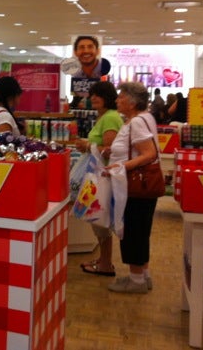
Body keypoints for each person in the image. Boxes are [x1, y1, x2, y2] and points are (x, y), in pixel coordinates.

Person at [106, 82, 160, 294]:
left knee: (133, 232)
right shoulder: (145, 118)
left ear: (132, 102)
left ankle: (136, 281)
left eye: (121, 97)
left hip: (135, 185)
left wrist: (121, 166)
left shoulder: (137, 122)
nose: (117, 100)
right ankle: (142, 275)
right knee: (141, 231)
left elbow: (149, 153)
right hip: (142, 186)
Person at [74, 81, 123, 277]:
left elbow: (110, 150)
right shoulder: (105, 116)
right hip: (100, 174)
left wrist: (87, 146)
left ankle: (105, 264)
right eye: (92, 94)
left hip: (103, 176)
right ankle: (104, 259)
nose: (93, 98)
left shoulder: (110, 118)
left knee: (99, 219)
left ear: (108, 97)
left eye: (98, 95)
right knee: (98, 219)